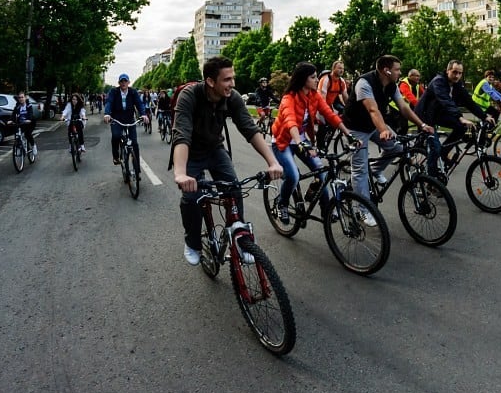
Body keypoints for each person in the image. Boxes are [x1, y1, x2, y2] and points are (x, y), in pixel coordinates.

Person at [172, 56, 283, 266]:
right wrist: (180, 173)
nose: (232, 84)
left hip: (215, 149)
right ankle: (193, 242)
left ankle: (240, 237)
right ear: (210, 81)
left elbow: (250, 129)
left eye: (233, 78)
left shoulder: (232, 97)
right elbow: (181, 135)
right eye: (227, 79)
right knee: (191, 197)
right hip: (191, 153)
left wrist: (273, 162)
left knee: (233, 187)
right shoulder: (189, 96)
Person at [342, 55, 434, 223]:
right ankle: (364, 210)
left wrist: (422, 125)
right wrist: (383, 130)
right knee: (361, 169)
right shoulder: (364, 83)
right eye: (398, 69)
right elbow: (372, 110)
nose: (400, 73)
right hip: (355, 128)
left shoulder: (392, 85)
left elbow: (403, 107)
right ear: (387, 70)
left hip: (375, 125)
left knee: (397, 148)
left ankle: (376, 170)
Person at [272, 62, 358, 224]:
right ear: (303, 79)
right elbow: (290, 120)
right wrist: (298, 141)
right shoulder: (288, 98)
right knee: (292, 176)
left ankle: (325, 210)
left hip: (301, 140)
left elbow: (330, 114)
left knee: (321, 173)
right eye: (313, 77)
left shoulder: (314, 95)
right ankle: (282, 204)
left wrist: (349, 134)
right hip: (283, 141)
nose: (316, 79)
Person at [416, 60, 493, 175]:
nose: (457, 76)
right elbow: (446, 101)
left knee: (461, 127)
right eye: (454, 72)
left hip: (438, 114)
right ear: (447, 71)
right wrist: (460, 117)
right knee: (435, 148)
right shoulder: (438, 82)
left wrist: (484, 116)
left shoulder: (457, 85)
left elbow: (468, 101)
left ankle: (443, 153)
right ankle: (430, 180)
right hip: (425, 115)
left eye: (460, 73)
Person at [104, 73, 149, 166]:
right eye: (121, 81)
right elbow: (109, 102)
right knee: (116, 136)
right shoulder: (114, 92)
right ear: (119, 83)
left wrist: (144, 114)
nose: (123, 83)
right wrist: (107, 114)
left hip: (129, 119)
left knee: (135, 143)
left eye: (125, 81)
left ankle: (137, 168)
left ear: (128, 82)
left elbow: (139, 104)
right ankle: (116, 157)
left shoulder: (133, 92)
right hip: (117, 119)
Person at [315, 60, 348, 150]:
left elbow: (345, 97)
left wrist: (349, 108)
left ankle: (329, 136)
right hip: (320, 104)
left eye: (343, 69)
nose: (342, 70)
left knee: (338, 118)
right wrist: (328, 114)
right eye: (339, 68)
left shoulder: (341, 81)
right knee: (324, 123)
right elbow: (322, 99)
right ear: (333, 69)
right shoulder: (325, 79)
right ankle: (319, 146)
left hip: (331, 103)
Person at [389, 68, 425, 135]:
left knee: (422, 120)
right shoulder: (404, 84)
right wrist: (420, 107)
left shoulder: (417, 85)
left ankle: (419, 139)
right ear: (410, 76)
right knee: (403, 126)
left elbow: (425, 95)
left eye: (419, 76)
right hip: (396, 108)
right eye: (416, 76)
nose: (418, 78)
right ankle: (399, 142)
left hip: (405, 107)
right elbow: (410, 97)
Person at [9, 91, 38, 156]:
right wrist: (11, 120)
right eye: (19, 98)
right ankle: (19, 148)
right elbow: (13, 114)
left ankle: (33, 146)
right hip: (21, 123)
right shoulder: (17, 106)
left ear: (25, 98)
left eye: (22, 97)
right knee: (18, 135)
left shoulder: (28, 105)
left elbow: (30, 113)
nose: (21, 99)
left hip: (30, 123)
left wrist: (29, 119)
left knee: (27, 134)